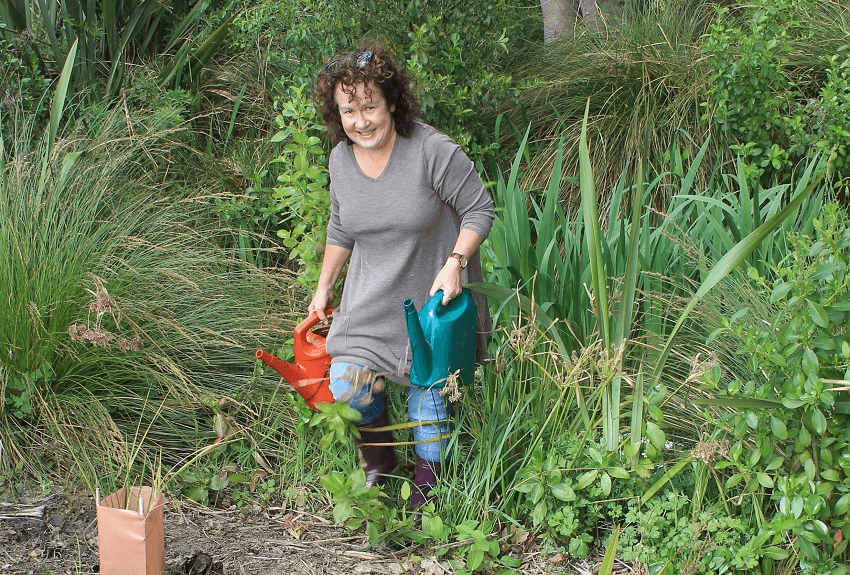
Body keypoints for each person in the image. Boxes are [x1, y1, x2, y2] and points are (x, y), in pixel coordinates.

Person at [308, 40, 494, 508]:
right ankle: (381, 460)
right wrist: (324, 286)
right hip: (371, 300)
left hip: (434, 304)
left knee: (428, 407)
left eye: (369, 106)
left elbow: (479, 209)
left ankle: (429, 486)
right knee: (348, 384)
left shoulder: (432, 150)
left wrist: (455, 264)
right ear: (337, 115)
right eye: (349, 111)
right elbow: (340, 226)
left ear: (391, 100)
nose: (361, 121)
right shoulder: (340, 161)